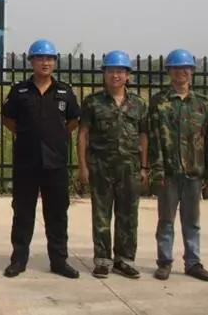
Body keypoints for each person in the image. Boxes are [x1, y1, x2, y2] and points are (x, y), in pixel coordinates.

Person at [2, 39, 81, 279]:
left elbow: (73, 121)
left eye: (49, 58)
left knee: (57, 214)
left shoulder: (64, 91)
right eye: (39, 58)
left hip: (55, 163)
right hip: (27, 162)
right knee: (23, 212)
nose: (45, 63)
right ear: (31, 62)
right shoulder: (20, 91)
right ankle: (18, 260)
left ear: (54, 62)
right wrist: (26, 134)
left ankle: (59, 261)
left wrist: (56, 136)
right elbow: (8, 119)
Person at [77, 50, 148, 279]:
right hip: (100, 167)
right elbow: (83, 134)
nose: (115, 75)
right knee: (101, 215)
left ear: (128, 75)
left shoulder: (138, 104)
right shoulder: (93, 102)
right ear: (104, 74)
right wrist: (82, 166)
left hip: (130, 168)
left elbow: (144, 136)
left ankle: (125, 260)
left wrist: (144, 167)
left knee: (128, 215)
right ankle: (102, 260)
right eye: (110, 71)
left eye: (120, 71)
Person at [148, 48, 208, 282]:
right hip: (168, 172)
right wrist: (156, 169)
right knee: (166, 220)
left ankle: (193, 262)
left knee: (192, 221)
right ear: (169, 72)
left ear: (192, 71)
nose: (181, 72)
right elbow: (153, 138)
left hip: (193, 172)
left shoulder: (202, 104)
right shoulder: (159, 102)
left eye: (185, 68)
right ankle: (164, 262)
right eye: (176, 68)